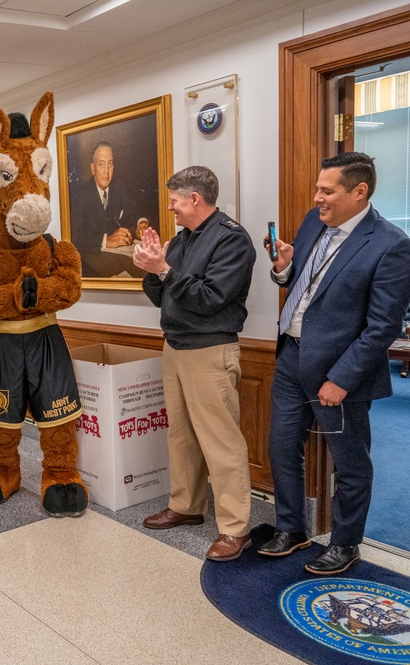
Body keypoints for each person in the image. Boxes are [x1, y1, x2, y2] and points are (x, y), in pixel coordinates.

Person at [259, 152, 410, 575]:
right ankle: (292, 529)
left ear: (359, 191)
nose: (317, 198)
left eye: (326, 191)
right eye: (317, 189)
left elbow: (382, 327)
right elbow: (300, 285)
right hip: (291, 356)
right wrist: (283, 268)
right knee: (281, 446)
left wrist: (342, 379)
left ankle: (346, 543)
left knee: (350, 462)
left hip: (338, 372)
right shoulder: (315, 223)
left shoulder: (391, 245)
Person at [132, 165, 255, 562]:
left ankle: (235, 528)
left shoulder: (232, 240)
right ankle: (186, 505)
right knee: (180, 435)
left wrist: (164, 270)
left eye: (174, 201)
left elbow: (209, 298)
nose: (170, 209)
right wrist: (152, 269)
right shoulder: (182, 239)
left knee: (221, 442)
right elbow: (164, 297)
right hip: (175, 347)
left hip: (210, 351)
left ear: (194, 199)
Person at [69, 142, 151, 277]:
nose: (106, 171)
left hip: (120, 253)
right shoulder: (79, 197)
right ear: (93, 168)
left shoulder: (118, 187)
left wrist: (141, 222)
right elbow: (74, 238)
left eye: (110, 164)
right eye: (101, 164)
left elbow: (132, 211)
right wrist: (106, 241)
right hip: (93, 260)